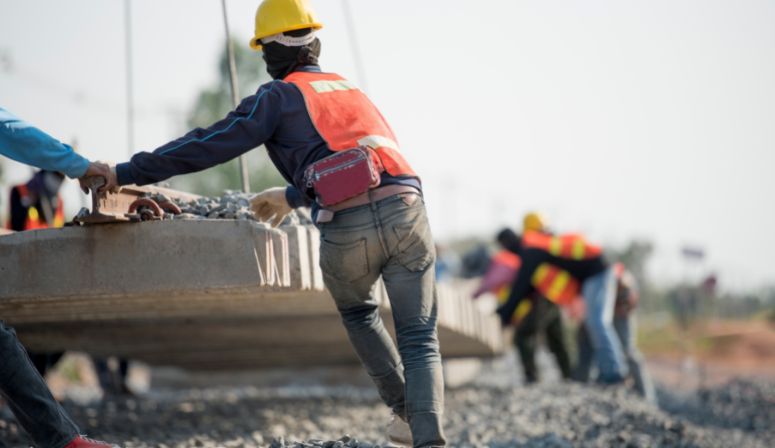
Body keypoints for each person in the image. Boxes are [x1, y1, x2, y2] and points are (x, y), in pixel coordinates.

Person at [100, 1, 444, 446]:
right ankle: (430, 438)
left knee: (360, 312)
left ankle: (404, 411)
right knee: (419, 337)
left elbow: (210, 143)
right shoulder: (353, 92)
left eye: (264, 50)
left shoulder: (278, 96)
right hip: (408, 212)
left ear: (275, 51)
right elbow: (362, 163)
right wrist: (288, 197)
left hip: (347, 226)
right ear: (314, 44)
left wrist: (127, 172)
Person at [0, 106, 118, 447]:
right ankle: (62, 440)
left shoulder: (55, 201)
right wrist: (78, 164)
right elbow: (11, 130)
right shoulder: (21, 193)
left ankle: (62, 439)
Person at [496, 228, 629, 384]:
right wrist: (505, 312)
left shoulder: (530, 251)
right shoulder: (533, 245)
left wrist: (504, 315)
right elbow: (528, 288)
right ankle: (603, 372)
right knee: (592, 325)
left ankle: (615, 373)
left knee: (597, 322)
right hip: (593, 273)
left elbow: (520, 287)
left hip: (596, 272)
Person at [476, 228, 572, 384]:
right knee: (555, 336)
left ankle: (532, 376)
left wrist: (505, 314)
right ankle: (569, 374)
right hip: (553, 293)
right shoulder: (528, 246)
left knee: (524, 335)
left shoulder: (526, 251)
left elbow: (521, 288)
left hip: (546, 296)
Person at [574, 263, 656, 403]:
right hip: (598, 309)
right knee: (592, 348)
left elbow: (629, 295)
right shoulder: (582, 275)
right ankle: (592, 388)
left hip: (620, 307)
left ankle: (647, 399)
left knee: (627, 350)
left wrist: (622, 306)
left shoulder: (617, 277)